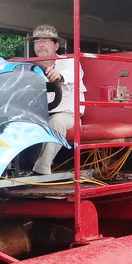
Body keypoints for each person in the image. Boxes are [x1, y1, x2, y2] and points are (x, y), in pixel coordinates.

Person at [28, 24, 86, 175]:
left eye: (45, 40)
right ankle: (10, 170)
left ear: (56, 45)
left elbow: (69, 75)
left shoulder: (69, 62)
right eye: (37, 41)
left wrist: (59, 76)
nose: (40, 45)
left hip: (69, 115)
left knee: (57, 122)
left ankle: (41, 170)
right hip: (40, 115)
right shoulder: (30, 67)